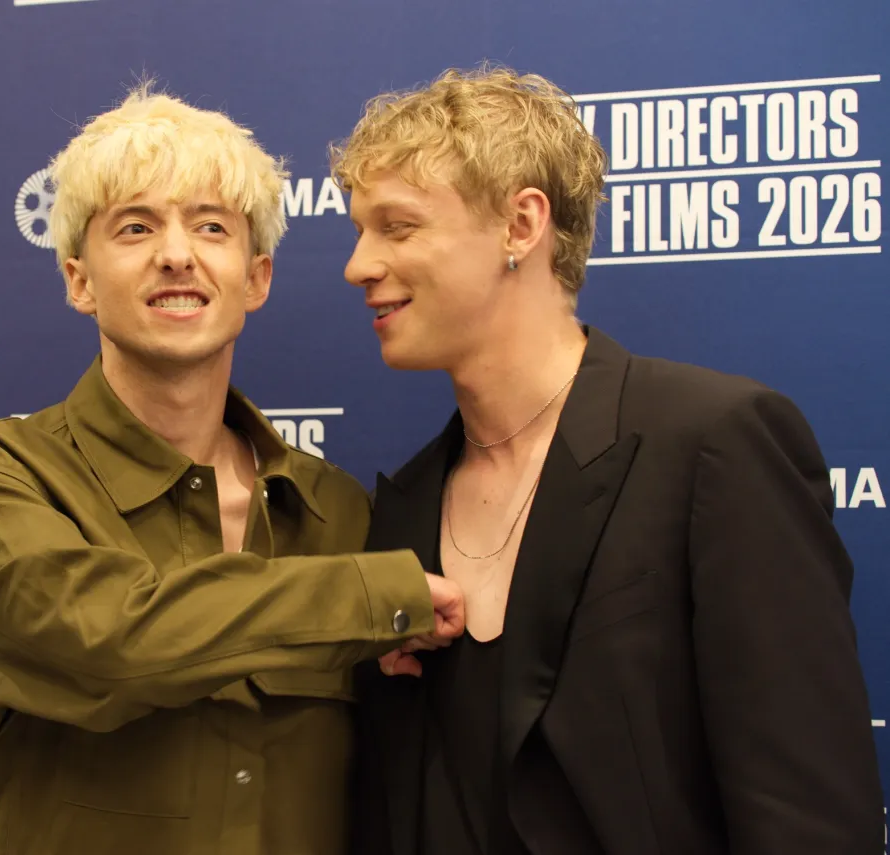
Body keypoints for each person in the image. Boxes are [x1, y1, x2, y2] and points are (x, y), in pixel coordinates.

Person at [331, 65, 884, 854]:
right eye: (359, 230)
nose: (358, 264)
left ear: (521, 225)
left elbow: (808, 816)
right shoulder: (403, 508)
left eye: (397, 226)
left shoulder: (713, 443)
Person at [0, 83, 464, 855]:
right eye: (135, 227)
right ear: (79, 279)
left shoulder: (335, 511)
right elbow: (109, 639)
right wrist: (367, 599)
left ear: (256, 278)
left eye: (212, 226)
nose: (177, 253)